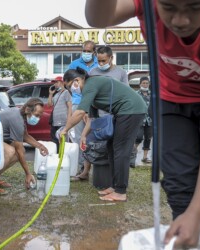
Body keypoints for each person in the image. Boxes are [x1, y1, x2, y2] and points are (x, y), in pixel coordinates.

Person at [85, 0, 200, 248]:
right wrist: (190, 213)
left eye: (195, 7)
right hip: (170, 99)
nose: (180, 20)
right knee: (180, 188)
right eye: (168, 6)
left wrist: (198, 212)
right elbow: (98, 17)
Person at [60, 68, 147, 202]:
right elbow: (91, 118)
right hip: (123, 112)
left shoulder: (90, 84)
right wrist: (84, 136)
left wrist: (65, 129)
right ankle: (114, 186)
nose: (71, 90)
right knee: (111, 147)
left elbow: (79, 112)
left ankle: (121, 191)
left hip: (132, 109)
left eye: (70, 86)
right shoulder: (88, 90)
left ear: (77, 80)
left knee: (121, 150)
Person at [73, 46, 131, 181]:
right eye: (98, 60)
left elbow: (126, 92)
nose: (101, 64)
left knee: (113, 146)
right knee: (90, 142)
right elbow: (87, 92)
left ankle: (113, 175)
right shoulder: (93, 71)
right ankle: (85, 171)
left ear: (111, 58)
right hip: (97, 114)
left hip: (115, 114)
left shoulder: (121, 73)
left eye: (104, 60)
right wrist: (87, 111)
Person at [0, 98, 49, 195]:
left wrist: (40, 146)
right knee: (11, 152)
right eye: (36, 115)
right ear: (27, 109)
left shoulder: (20, 115)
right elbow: (19, 150)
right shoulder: (17, 119)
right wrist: (28, 173)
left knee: (18, 152)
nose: (38, 119)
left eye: (40, 116)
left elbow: (25, 135)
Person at [68, 40, 99, 174]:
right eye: (84, 51)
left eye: (89, 51)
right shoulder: (74, 64)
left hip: (96, 104)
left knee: (96, 135)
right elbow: (68, 83)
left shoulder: (100, 64)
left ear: (94, 52)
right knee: (79, 137)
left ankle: (95, 166)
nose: (86, 53)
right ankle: (81, 167)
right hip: (78, 103)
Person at [130, 76, 152, 167]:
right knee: (138, 137)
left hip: (150, 120)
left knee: (148, 138)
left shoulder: (152, 94)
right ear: (140, 84)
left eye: (147, 83)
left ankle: (145, 157)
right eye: (143, 83)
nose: (145, 85)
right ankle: (132, 155)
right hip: (139, 119)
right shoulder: (136, 94)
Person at [48, 76, 72, 151]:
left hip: (63, 122)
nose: (55, 84)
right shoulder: (56, 94)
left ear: (62, 82)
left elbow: (70, 107)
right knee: (55, 141)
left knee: (62, 141)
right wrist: (51, 94)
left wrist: (68, 121)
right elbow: (49, 104)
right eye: (54, 82)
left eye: (57, 82)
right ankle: (57, 157)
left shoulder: (66, 92)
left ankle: (62, 157)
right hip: (55, 122)